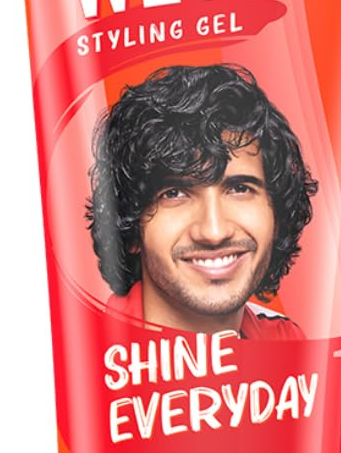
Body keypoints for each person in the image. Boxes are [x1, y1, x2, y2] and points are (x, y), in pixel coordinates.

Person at [86, 64, 319, 338]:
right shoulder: (88, 351)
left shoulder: (287, 343)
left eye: (239, 189)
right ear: (130, 228)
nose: (214, 232)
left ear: (276, 216)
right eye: (174, 193)